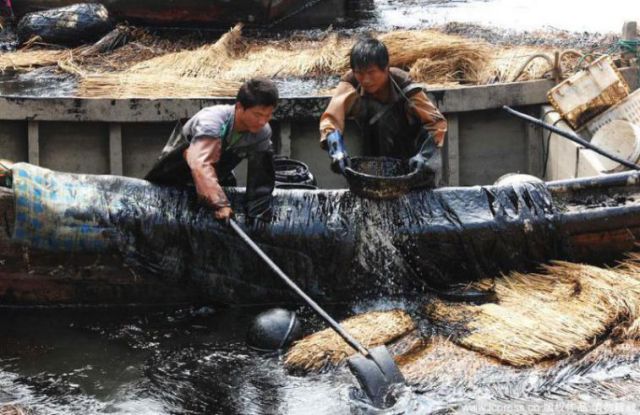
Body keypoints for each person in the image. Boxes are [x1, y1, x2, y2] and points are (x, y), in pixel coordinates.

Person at [145, 78, 278, 223]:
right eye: (258, 115)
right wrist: (220, 204)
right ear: (239, 107)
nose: (262, 121)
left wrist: (258, 219)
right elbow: (200, 164)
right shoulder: (211, 121)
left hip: (217, 180)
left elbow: (261, 183)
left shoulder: (262, 133)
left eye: (268, 115)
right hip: (171, 180)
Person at [319, 36, 447, 186]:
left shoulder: (402, 83)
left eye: (371, 72)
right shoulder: (351, 82)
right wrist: (337, 150)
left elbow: (436, 122)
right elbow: (331, 119)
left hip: (412, 163)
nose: (365, 80)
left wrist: (423, 157)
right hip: (373, 162)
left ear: (386, 68)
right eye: (360, 73)